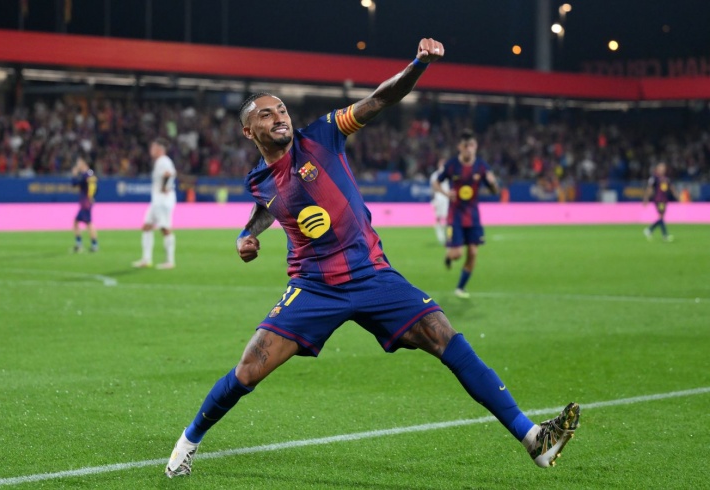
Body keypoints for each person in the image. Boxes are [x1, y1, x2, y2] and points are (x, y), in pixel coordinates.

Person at [165, 39, 580, 479]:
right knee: (249, 369)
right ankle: (187, 442)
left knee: (444, 335)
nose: (279, 116)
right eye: (265, 114)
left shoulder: (322, 134)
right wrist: (245, 235)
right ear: (249, 132)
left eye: (281, 109)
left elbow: (380, 98)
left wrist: (418, 64)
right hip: (314, 286)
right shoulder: (259, 179)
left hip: (372, 275)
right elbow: (268, 206)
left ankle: (533, 438)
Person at [432, 130, 499, 299]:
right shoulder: (452, 165)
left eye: (472, 145)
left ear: (476, 147)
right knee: (457, 254)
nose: (469, 149)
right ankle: (448, 255)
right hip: (455, 216)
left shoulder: (482, 166)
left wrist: (493, 184)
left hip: (473, 216)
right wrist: (446, 194)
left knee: (474, 252)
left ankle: (460, 288)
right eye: (466, 145)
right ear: (460, 147)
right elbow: (436, 183)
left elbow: (494, 191)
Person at [132, 137, 177, 269]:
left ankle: (170, 261)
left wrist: (164, 187)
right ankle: (146, 259)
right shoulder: (161, 161)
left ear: (159, 149)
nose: (151, 150)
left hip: (163, 200)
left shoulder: (163, 161)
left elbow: (169, 174)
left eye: (153, 147)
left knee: (165, 228)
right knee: (147, 226)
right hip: (157, 200)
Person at [643, 162, 676, 242]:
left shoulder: (666, 179)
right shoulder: (654, 178)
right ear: (657, 169)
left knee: (661, 218)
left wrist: (677, 195)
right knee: (661, 217)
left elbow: (672, 188)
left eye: (663, 169)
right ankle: (665, 235)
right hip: (658, 200)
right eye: (661, 168)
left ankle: (649, 230)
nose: (662, 170)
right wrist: (646, 198)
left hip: (664, 200)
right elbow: (649, 188)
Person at [70, 157, 98, 253]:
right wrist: (92, 196)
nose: (77, 165)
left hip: (85, 202)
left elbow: (74, 184)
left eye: (79, 162)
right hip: (86, 202)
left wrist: (74, 174)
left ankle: (92, 245)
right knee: (78, 222)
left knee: (88, 223)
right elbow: (95, 186)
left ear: (83, 163)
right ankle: (83, 244)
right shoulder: (90, 173)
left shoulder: (85, 174)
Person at [429, 158, 450, 246]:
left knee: (448, 218)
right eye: (441, 164)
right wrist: (433, 199)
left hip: (447, 198)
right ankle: (440, 236)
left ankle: (448, 237)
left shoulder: (449, 174)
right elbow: (433, 188)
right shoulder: (435, 175)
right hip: (438, 198)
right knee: (438, 218)